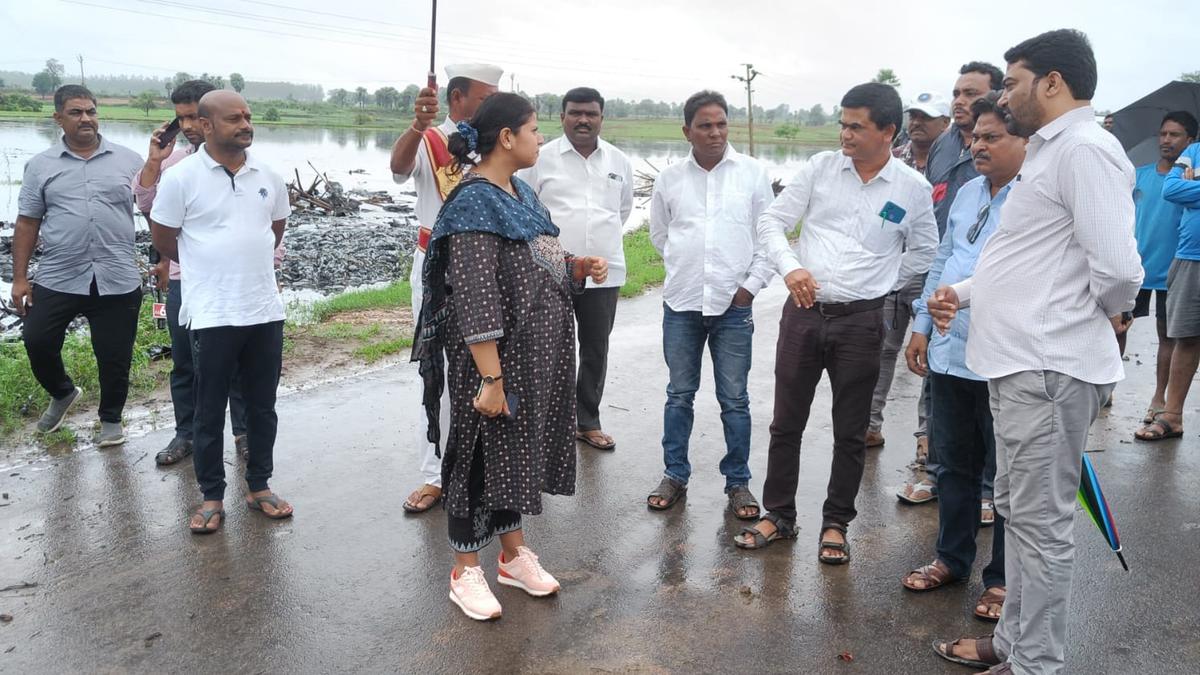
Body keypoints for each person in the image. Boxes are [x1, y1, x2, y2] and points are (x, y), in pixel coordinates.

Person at [930, 30, 1143, 674]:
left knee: (1042, 527)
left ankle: (1035, 664)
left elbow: (1118, 267)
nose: (1003, 93)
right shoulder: (1052, 153)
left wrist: (1103, 319)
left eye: (1014, 79)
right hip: (1024, 363)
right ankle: (1014, 644)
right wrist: (963, 293)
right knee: (1021, 515)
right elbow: (1034, 257)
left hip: (1047, 366)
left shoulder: (1084, 150)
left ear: (1052, 82)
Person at [410, 92, 607, 620]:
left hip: (533, 356)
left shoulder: (518, 191)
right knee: (475, 457)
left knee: (514, 455)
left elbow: (541, 254)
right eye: (535, 129)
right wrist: (489, 378)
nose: (540, 138)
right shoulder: (475, 201)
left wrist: (575, 266)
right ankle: (464, 568)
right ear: (506, 138)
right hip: (495, 361)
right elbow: (475, 297)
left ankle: (513, 556)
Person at [735, 83, 937, 562]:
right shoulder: (821, 169)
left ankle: (835, 523)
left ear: (888, 131)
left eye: (856, 126)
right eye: (842, 124)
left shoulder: (912, 189)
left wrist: (884, 283)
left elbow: (925, 251)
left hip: (863, 322)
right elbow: (771, 221)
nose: (845, 134)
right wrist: (791, 268)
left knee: (851, 430)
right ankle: (779, 514)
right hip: (803, 315)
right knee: (786, 422)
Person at [900, 93, 1024, 623]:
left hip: (1005, 359)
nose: (977, 145)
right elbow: (944, 260)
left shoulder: (1037, 199)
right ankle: (951, 558)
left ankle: (1001, 582)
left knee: (1007, 479)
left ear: (1024, 141)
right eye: (975, 137)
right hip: (951, 355)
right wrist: (921, 325)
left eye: (991, 137)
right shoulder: (971, 192)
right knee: (952, 466)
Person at [150, 91, 295, 534]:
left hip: (263, 309)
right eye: (234, 119)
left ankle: (259, 486)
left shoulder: (267, 174)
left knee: (262, 407)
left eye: (248, 116)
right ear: (207, 126)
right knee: (208, 408)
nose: (245, 124)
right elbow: (163, 237)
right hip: (212, 313)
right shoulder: (181, 178)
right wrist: (207, 262)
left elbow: (275, 229)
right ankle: (212, 496)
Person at [644, 90, 774, 520]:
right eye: (705, 125)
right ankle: (674, 474)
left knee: (734, 399)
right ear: (687, 132)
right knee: (679, 395)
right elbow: (661, 236)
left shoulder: (753, 174)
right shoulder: (669, 179)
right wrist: (687, 272)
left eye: (721, 124)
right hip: (681, 304)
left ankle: (738, 482)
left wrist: (749, 287)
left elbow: (767, 237)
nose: (715, 132)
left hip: (733, 308)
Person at [390, 63, 502, 514]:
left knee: (490, 368)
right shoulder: (430, 140)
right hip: (437, 266)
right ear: (457, 98)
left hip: (489, 269)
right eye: (483, 97)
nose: (490, 105)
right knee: (434, 373)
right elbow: (398, 169)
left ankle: (489, 467)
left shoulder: (498, 142)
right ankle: (435, 473)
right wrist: (417, 125)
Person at [11, 84, 144, 446]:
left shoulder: (130, 160)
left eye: (91, 111)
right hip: (59, 274)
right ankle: (63, 392)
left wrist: (162, 261)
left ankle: (111, 420)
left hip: (117, 275)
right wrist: (20, 279)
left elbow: (154, 209)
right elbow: (27, 222)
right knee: (37, 340)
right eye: (75, 112)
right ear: (58, 118)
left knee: (114, 355)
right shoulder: (40, 166)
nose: (86, 118)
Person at [898, 60, 1004, 505]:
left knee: (992, 422)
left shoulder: (1032, 192)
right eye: (958, 94)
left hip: (995, 330)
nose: (963, 103)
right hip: (943, 315)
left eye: (973, 96)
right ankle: (941, 479)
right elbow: (946, 250)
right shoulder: (948, 155)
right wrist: (922, 321)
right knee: (942, 408)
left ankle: (987, 493)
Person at [518, 87, 633, 451]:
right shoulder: (540, 158)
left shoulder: (618, 161)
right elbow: (524, 209)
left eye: (591, 114)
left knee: (595, 348)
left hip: (604, 274)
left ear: (602, 118)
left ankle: (587, 421)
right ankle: (543, 424)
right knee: (546, 348)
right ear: (562, 116)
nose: (583, 120)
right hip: (550, 274)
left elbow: (624, 211)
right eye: (575, 113)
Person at [866, 92, 950, 452]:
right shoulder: (893, 162)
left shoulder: (956, 166)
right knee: (883, 350)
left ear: (945, 125)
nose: (916, 123)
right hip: (891, 270)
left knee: (931, 353)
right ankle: (870, 424)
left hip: (936, 272)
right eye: (913, 116)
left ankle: (926, 436)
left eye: (926, 118)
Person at [1129, 112, 1197, 440]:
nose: (1167, 140)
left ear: (1189, 139)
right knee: (1121, 325)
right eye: (1163, 133)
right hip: (1148, 263)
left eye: (1175, 134)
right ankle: (1106, 390)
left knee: (1172, 335)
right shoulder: (1140, 175)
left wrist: (1191, 184)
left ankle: (1162, 402)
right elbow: (1170, 190)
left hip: (1175, 263)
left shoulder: (1190, 169)